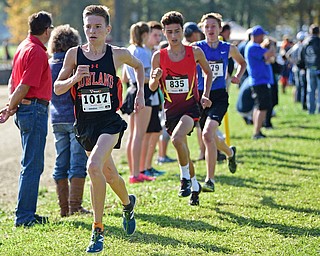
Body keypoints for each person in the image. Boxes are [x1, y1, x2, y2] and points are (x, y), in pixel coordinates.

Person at [54, 5, 144, 254]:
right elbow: (58, 88)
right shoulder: (74, 55)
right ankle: (128, 204)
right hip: (85, 125)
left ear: (107, 29)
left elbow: (138, 66)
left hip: (108, 122)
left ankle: (97, 230)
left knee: (93, 166)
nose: (92, 31)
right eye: (88, 27)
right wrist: (74, 79)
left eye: (97, 27)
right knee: (109, 175)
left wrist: (140, 95)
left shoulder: (117, 54)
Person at [149, 11, 213, 206]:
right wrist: (155, 78)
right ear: (163, 33)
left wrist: (205, 95)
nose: (174, 36)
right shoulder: (158, 57)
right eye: (169, 32)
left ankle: (184, 178)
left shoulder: (194, 52)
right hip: (170, 110)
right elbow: (152, 87)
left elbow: (208, 74)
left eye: (177, 31)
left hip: (191, 107)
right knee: (182, 148)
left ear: (182, 31)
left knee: (177, 139)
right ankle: (194, 185)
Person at [0, 11, 53, 227]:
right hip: (34, 110)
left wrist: (12, 106)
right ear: (47, 30)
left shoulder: (23, 46)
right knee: (32, 165)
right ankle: (24, 217)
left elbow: (14, 81)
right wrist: (11, 106)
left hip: (25, 109)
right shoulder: (37, 52)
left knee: (30, 164)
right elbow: (24, 85)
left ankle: (27, 213)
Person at [195, 13, 246, 192]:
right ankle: (229, 153)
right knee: (210, 136)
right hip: (200, 96)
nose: (210, 29)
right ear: (202, 29)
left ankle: (209, 180)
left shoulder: (228, 48)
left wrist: (237, 77)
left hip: (218, 96)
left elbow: (242, 63)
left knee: (208, 134)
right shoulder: (196, 48)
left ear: (219, 28)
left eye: (214, 26)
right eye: (207, 26)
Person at [47, 24, 90, 217]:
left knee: (60, 163)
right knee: (77, 163)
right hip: (75, 118)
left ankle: (64, 209)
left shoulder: (48, 65)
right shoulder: (75, 64)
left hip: (56, 118)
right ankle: (75, 206)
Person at [121, 21, 157, 182]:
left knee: (133, 135)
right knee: (139, 135)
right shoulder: (143, 52)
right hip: (143, 92)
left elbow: (124, 77)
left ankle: (134, 171)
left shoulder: (129, 50)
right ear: (144, 35)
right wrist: (157, 77)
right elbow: (144, 77)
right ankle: (136, 173)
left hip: (131, 90)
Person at [244, 25, 276, 139]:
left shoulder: (253, 46)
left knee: (259, 106)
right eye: (262, 35)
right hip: (259, 80)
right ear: (257, 36)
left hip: (258, 80)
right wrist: (272, 44)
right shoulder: (254, 47)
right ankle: (257, 132)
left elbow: (268, 59)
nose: (264, 38)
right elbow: (270, 54)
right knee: (262, 107)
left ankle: (257, 130)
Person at [300, 24, 320, 114]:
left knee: (310, 90)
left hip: (309, 68)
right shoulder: (318, 41)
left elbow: (301, 56)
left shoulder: (305, 42)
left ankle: (311, 110)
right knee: (318, 90)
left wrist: (303, 67)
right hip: (318, 68)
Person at [286, 31, 307, 109]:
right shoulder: (300, 46)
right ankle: (300, 100)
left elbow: (287, 55)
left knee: (297, 85)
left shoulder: (295, 46)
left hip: (295, 67)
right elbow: (287, 55)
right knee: (301, 85)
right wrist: (293, 62)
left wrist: (292, 62)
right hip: (299, 68)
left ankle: (297, 100)